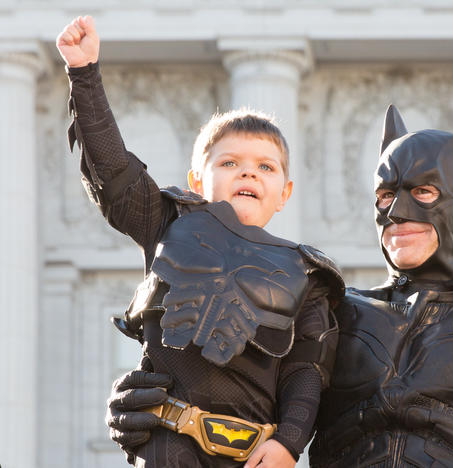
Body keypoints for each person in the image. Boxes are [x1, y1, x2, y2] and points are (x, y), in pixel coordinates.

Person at [104, 102, 453, 466]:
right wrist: (161, 408)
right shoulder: (338, 311)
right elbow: (257, 393)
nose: (397, 213)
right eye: (386, 197)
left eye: (423, 192)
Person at [57, 16, 343, 468]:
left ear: (285, 193)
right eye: (230, 162)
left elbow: (305, 371)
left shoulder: (307, 276)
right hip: (169, 445)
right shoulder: (168, 224)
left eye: (266, 167)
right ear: (197, 180)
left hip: (254, 456)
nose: (249, 172)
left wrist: (289, 442)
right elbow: (113, 172)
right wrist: (85, 74)